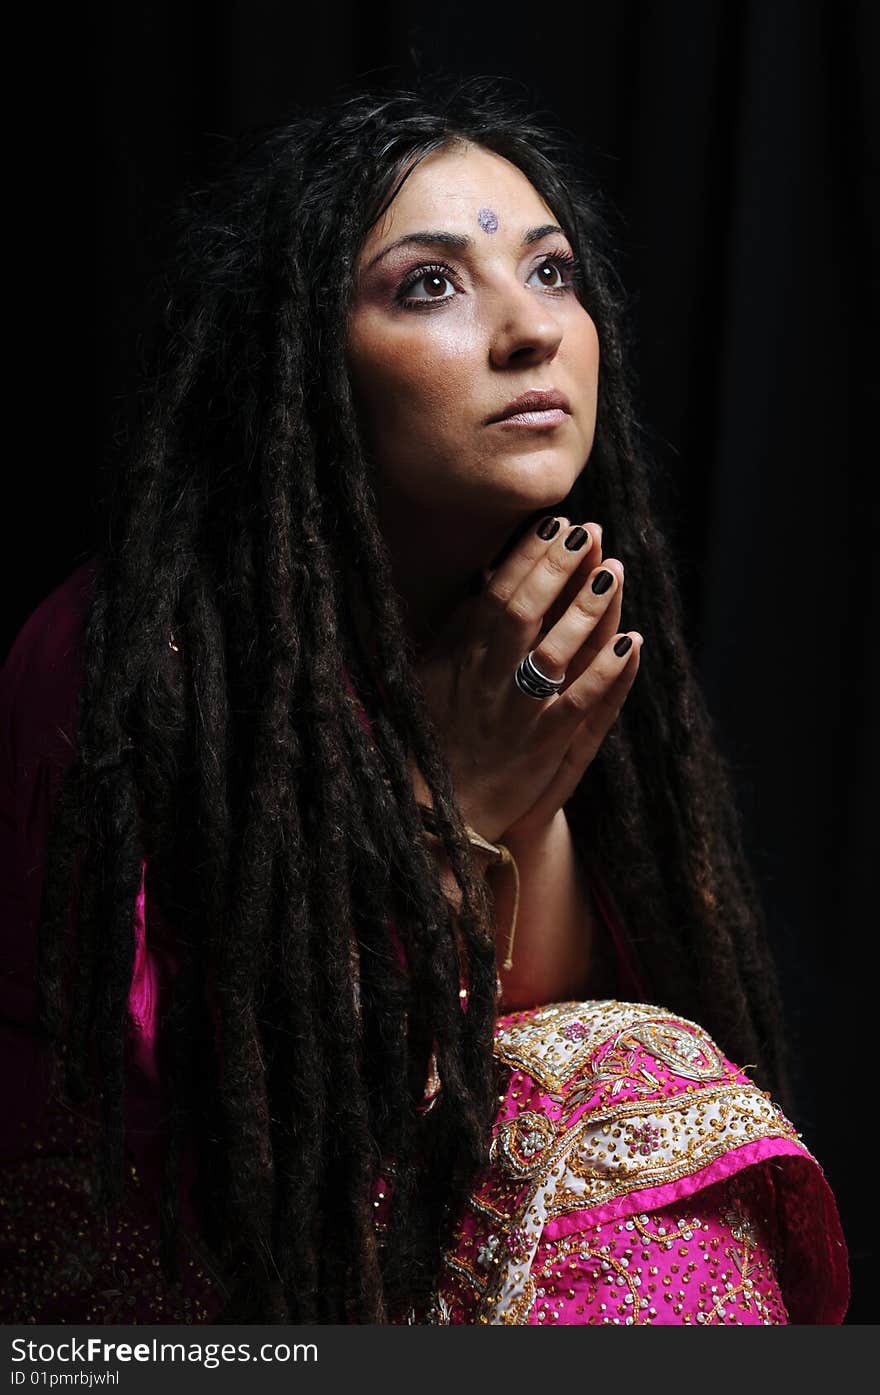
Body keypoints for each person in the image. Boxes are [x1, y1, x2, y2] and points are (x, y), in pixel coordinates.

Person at [0, 75, 848, 1325]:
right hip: (145, 1271)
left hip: (377, 1215)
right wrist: (455, 799)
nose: (530, 330)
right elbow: (246, 1121)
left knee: (624, 1068)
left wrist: (498, 797)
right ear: (300, 366)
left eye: (552, 273)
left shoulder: (529, 623)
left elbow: (523, 1029)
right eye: (430, 284)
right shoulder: (146, 661)